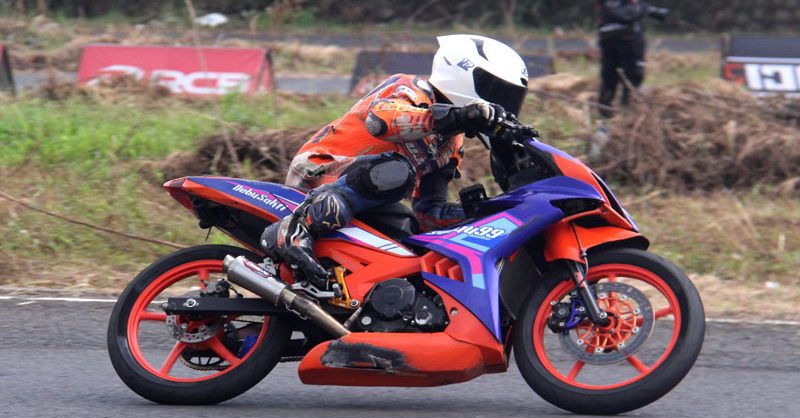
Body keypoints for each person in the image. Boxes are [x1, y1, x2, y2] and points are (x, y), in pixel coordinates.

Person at [260, 34, 529, 287]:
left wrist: (484, 213)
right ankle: (294, 230)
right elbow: (381, 121)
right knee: (397, 172)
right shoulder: (411, 89)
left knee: (408, 235)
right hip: (319, 168)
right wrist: (458, 116)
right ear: (465, 74)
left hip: (365, 194)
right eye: (497, 92)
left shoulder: (452, 144)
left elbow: (428, 214)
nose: (500, 105)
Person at [596, 0, 668, 118]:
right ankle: (628, 115)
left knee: (609, 78)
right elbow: (629, 13)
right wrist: (643, 9)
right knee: (632, 78)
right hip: (628, 38)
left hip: (607, 36)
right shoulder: (624, 6)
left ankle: (606, 114)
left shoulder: (606, 5)